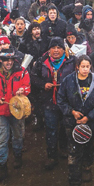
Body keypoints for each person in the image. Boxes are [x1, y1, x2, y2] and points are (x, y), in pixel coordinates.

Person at [0, 48, 30, 183]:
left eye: (11, 60)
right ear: (0, 60)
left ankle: (18, 155)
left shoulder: (22, 71)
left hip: (17, 111)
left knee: (18, 136)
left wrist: (22, 90)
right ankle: (2, 167)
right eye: (6, 60)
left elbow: (27, 86)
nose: (9, 63)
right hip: (0, 111)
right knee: (2, 139)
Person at [57, 55, 94, 186]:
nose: (85, 69)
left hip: (90, 122)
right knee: (73, 150)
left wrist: (88, 117)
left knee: (89, 147)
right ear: (77, 66)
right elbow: (61, 100)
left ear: (90, 67)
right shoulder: (68, 81)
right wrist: (71, 112)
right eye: (82, 66)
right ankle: (74, 179)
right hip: (72, 123)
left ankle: (87, 167)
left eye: (87, 67)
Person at [31, 37, 76, 170]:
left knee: (64, 127)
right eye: (53, 48)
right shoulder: (41, 62)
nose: (56, 50)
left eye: (59, 48)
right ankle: (51, 156)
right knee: (50, 129)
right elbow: (33, 77)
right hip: (48, 101)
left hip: (65, 102)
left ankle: (63, 149)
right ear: (49, 49)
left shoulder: (71, 61)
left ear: (64, 49)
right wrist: (43, 84)